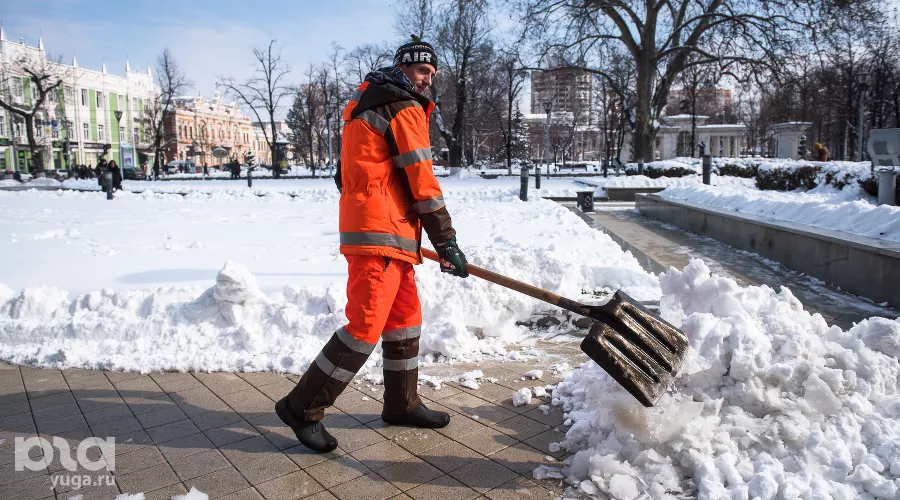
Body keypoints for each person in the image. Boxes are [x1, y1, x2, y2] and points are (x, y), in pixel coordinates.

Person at [276, 39, 469, 453]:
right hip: (379, 236)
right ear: (403, 68)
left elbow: (348, 174)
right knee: (364, 326)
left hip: (390, 233)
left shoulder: (366, 104)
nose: (427, 77)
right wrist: (447, 241)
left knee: (405, 320)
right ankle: (301, 407)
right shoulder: (401, 105)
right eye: (421, 70)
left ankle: (402, 403)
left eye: (432, 72)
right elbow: (422, 181)